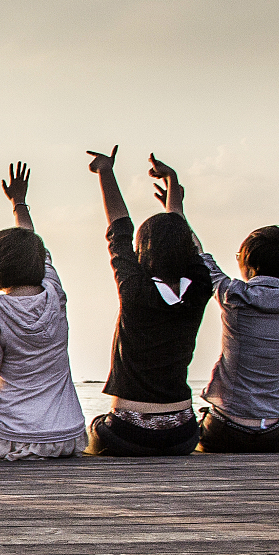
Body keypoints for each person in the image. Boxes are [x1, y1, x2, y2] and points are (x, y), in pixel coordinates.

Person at [0, 162, 87, 462]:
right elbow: (35, 246)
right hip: (67, 437)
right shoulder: (55, 293)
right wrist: (19, 203)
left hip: (15, 438)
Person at [85, 147, 213, 457]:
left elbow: (119, 230)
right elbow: (192, 248)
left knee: (93, 428)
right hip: (183, 435)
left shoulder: (135, 290)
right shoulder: (200, 287)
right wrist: (174, 187)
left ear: (144, 252)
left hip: (129, 433)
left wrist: (105, 171)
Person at [196, 164, 279, 453]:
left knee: (197, 434)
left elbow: (199, 254)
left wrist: (175, 204)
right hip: (277, 434)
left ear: (245, 264)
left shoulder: (233, 294)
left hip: (227, 430)